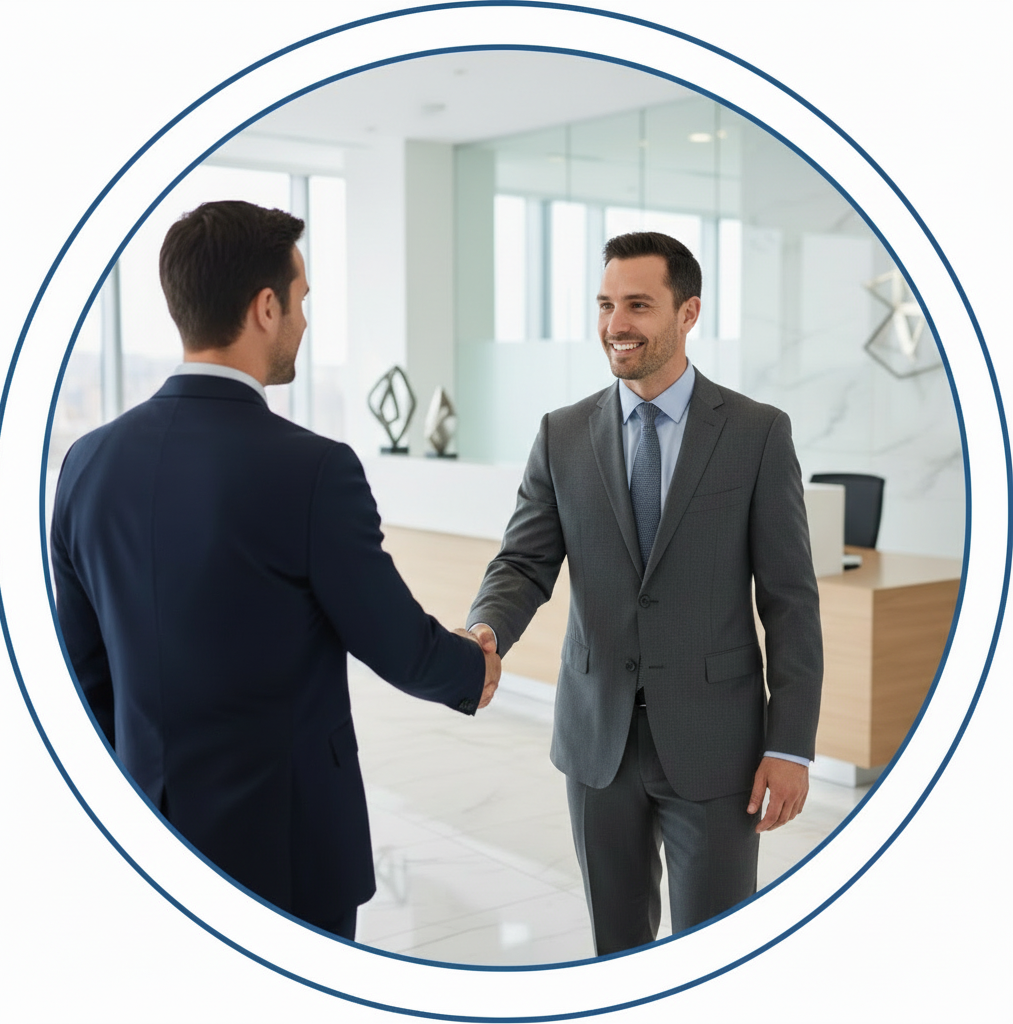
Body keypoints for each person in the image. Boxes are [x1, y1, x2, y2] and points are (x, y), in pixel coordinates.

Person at [50, 200, 500, 941]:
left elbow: (82, 672)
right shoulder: (313, 470)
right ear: (266, 307)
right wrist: (472, 667)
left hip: (143, 838)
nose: (303, 321)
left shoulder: (87, 464)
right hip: (286, 853)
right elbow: (395, 643)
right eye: (301, 300)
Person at [467, 232, 822, 955]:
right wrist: (486, 629)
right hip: (597, 740)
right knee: (616, 948)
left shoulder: (756, 433)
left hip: (715, 745)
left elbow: (790, 601)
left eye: (637, 305)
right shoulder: (563, 433)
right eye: (605, 305)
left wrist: (791, 744)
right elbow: (524, 562)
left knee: (710, 951)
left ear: (688, 312)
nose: (615, 324)